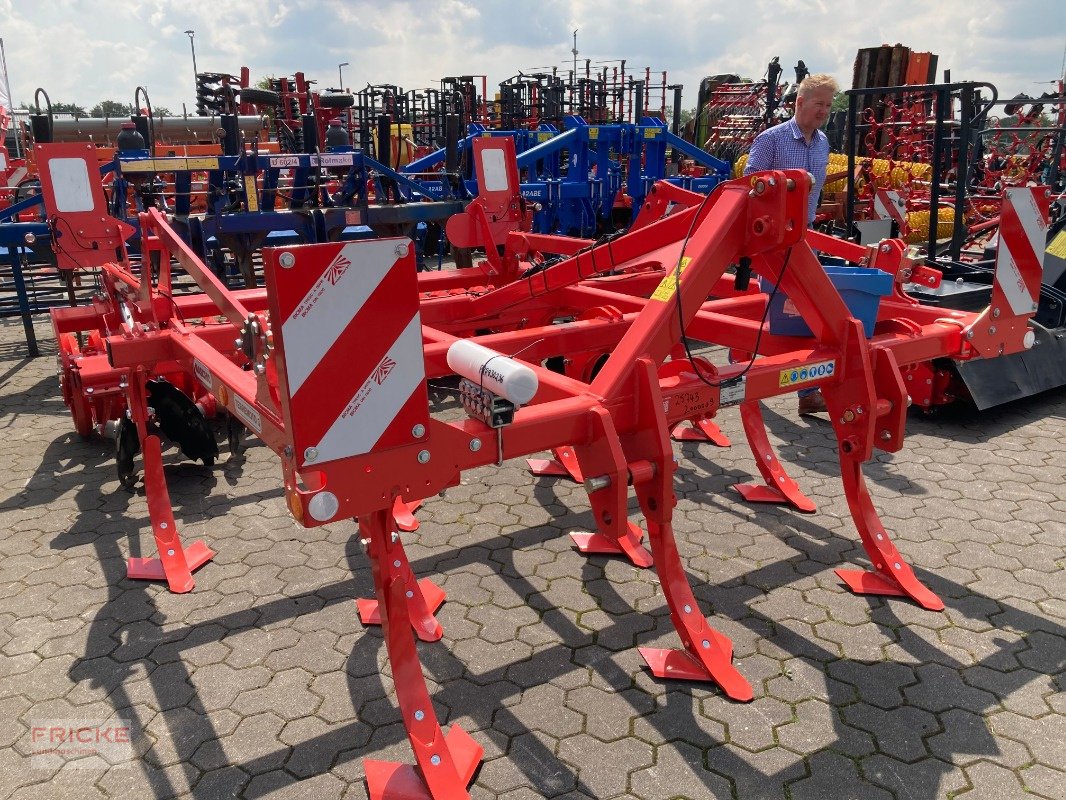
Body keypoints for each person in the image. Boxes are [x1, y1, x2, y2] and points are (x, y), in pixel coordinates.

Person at [744, 73, 838, 415]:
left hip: (805, 237)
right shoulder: (772, 140)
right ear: (799, 103)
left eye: (828, 106)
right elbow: (751, 185)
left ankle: (808, 392)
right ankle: (742, 366)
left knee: (807, 308)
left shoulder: (823, 142)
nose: (824, 111)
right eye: (819, 104)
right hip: (774, 240)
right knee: (772, 306)